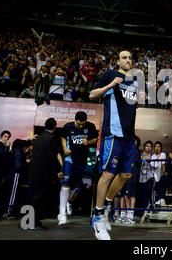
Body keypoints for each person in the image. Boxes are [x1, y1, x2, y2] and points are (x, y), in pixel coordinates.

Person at [89, 50, 141, 240]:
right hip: (113, 133)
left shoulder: (135, 80)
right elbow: (92, 95)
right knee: (108, 174)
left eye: (130, 58)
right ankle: (97, 218)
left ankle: (107, 204)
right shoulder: (111, 75)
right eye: (124, 57)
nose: (128, 60)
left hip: (129, 136)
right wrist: (110, 85)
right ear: (118, 61)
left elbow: (131, 105)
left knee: (126, 175)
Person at [58, 111, 98, 225]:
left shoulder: (90, 126)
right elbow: (62, 137)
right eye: (79, 124)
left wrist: (88, 141)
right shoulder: (68, 126)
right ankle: (62, 213)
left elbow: (96, 139)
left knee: (74, 186)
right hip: (70, 159)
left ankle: (67, 202)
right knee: (65, 182)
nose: (81, 126)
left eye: (83, 124)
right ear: (75, 120)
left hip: (82, 160)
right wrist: (65, 148)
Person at [28, 118, 63, 230]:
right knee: (40, 198)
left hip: (34, 172)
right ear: (55, 127)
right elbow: (52, 156)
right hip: (44, 173)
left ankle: (28, 221)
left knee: (33, 197)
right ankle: (35, 222)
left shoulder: (39, 138)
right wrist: (58, 170)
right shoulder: (52, 138)